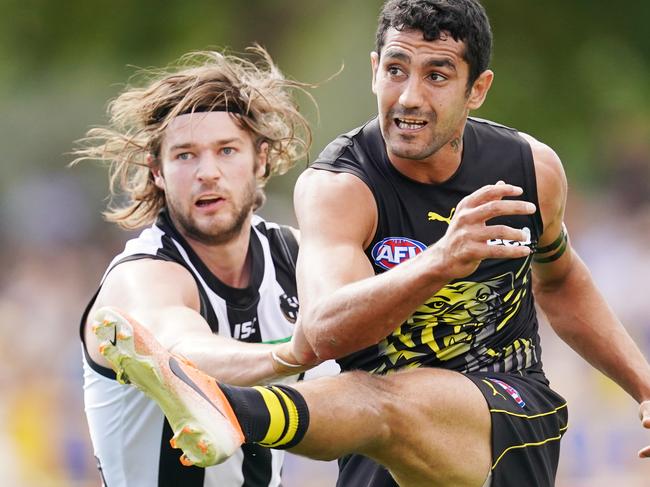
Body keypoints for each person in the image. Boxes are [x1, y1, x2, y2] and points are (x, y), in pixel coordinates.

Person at [89, 1, 650, 486]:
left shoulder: (527, 169)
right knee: (375, 399)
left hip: (505, 410)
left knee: (379, 400)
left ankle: (235, 412)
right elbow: (188, 347)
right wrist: (436, 265)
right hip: (379, 452)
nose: (409, 96)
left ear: (477, 89)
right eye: (185, 156)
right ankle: (228, 408)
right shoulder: (149, 271)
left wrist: (645, 388)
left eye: (436, 75)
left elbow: (563, 278)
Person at [73, 47, 338, 487]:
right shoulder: (142, 274)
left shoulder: (294, 257)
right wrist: (291, 354)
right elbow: (175, 346)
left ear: (262, 158)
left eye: (227, 150)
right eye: (185, 156)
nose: (207, 172)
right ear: (157, 171)